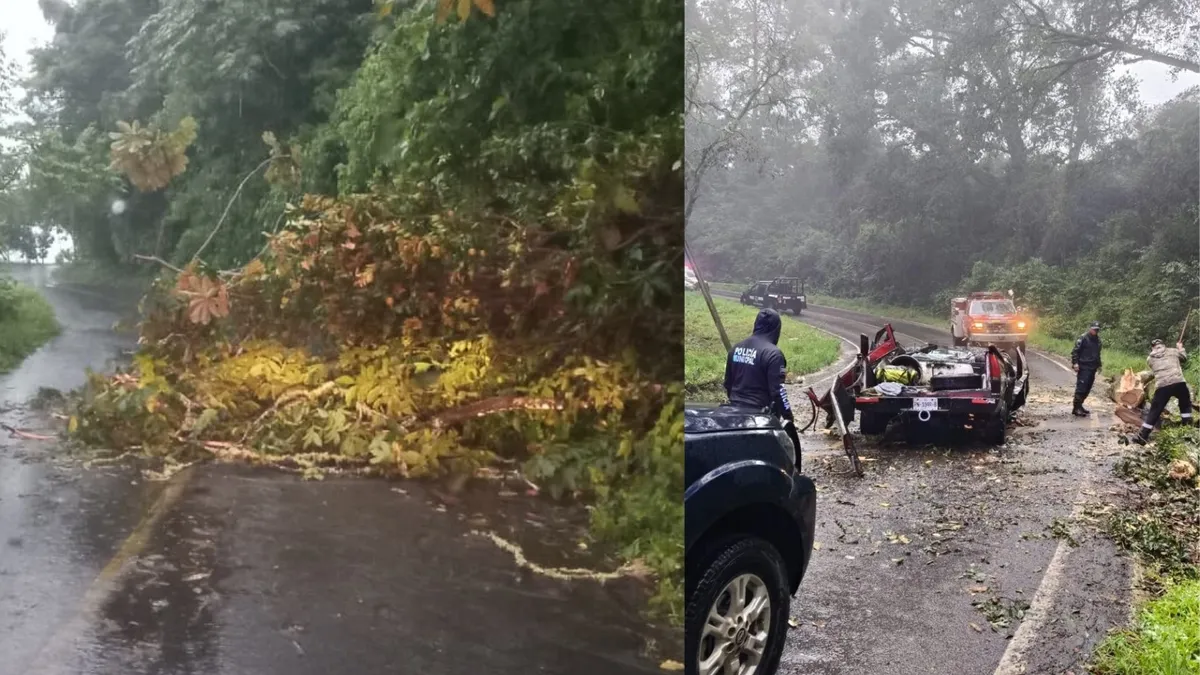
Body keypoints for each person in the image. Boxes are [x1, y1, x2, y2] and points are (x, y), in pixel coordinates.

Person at [724, 308, 802, 452]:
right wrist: (788, 416)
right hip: (760, 419)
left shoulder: (735, 349)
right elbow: (778, 392)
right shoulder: (774, 354)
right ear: (776, 329)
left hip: (733, 415)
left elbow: (728, 384)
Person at [1131, 339, 1194, 444]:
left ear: (1152, 347)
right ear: (1163, 345)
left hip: (1163, 386)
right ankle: (1187, 431)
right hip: (1178, 382)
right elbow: (1184, 358)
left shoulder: (1150, 358)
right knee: (1185, 404)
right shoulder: (1173, 351)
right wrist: (1180, 348)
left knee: (1155, 411)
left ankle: (1143, 436)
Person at [1070, 321, 1102, 416]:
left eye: (1097, 330)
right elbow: (1075, 351)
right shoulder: (1083, 338)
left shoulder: (1098, 340)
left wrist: (1099, 365)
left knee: (1088, 388)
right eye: (1094, 329)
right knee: (1081, 387)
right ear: (1090, 328)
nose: (1095, 331)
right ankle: (1076, 408)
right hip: (1084, 366)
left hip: (1092, 367)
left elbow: (1097, 354)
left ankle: (1080, 405)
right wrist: (1075, 363)